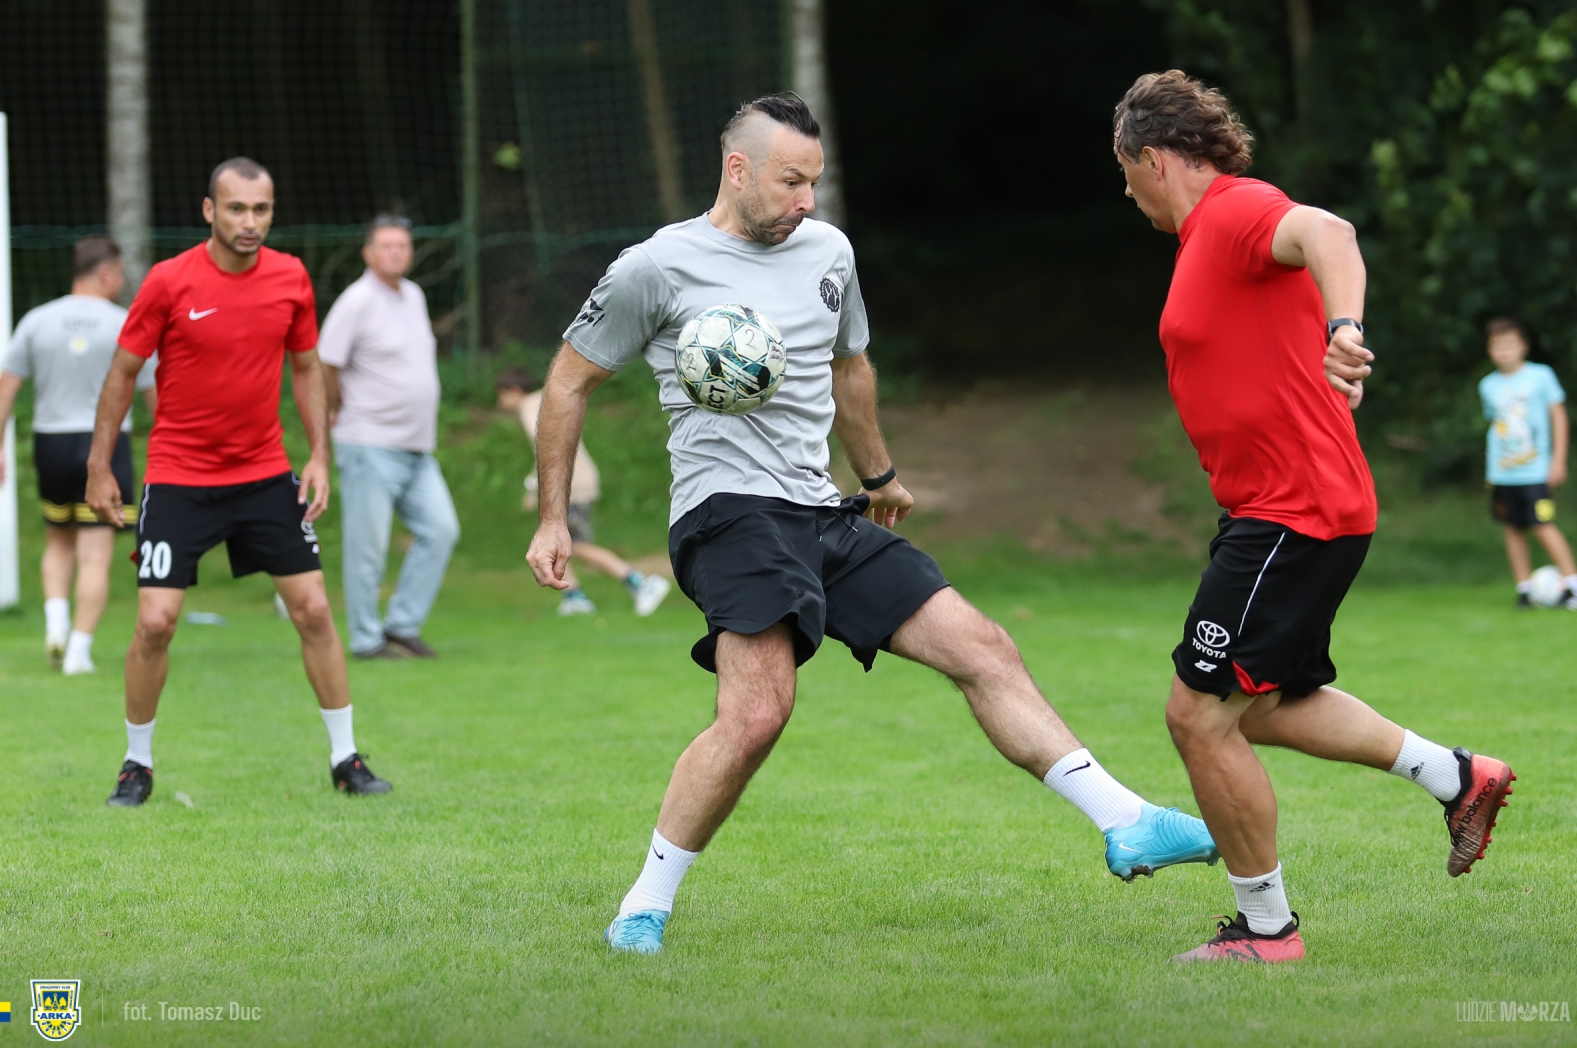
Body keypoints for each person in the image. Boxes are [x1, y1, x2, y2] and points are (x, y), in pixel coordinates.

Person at [526, 92, 1220, 956]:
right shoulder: (656, 267)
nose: (806, 200)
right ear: (737, 170)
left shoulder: (828, 251)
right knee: (757, 714)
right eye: (790, 181)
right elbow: (568, 380)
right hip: (726, 513)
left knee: (983, 646)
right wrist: (553, 519)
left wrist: (879, 473)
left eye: (813, 182)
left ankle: (1125, 819)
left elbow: (850, 366)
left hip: (820, 508)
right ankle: (643, 906)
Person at [1114, 71, 1515, 963]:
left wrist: (1345, 328)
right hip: (1288, 507)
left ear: (1153, 159)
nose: (1127, 192)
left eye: (1126, 173)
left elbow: (1329, 232)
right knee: (1260, 707)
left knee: (1197, 715)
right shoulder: (1207, 241)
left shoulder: (1234, 210)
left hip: (1290, 511)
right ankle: (1458, 776)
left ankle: (1267, 931)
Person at [86, 156, 392, 806]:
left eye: (261, 209)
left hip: (263, 475)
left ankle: (346, 758)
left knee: (314, 610)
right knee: (156, 622)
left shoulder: (290, 277)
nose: (249, 222)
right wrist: (99, 465)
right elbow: (122, 373)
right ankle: (136, 764)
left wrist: (319, 455)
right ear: (210, 211)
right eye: (236, 209)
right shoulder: (169, 282)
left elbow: (306, 368)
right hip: (178, 476)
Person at [0, 236, 156, 674]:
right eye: (119, 274)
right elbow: (153, 393)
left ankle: (56, 624)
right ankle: (79, 651)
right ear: (105, 273)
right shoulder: (124, 323)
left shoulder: (37, 320)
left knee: (58, 541)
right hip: (104, 444)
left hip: (50, 442)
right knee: (95, 553)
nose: (120, 282)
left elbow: (7, 386)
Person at [319, 216, 460, 659]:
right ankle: (365, 640)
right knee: (368, 548)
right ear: (369, 253)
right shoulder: (357, 301)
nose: (396, 252)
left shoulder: (413, 295)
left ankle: (401, 624)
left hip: (417, 447)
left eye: (402, 245)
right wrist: (337, 402)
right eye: (386, 245)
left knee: (441, 530)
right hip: (369, 442)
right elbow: (326, 360)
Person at [495, 366, 670, 617]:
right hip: (576, 479)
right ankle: (575, 596)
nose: (500, 403)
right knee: (558, 543)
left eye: (501, 396)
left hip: (570, 482)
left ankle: (639, 582)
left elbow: (547, 448)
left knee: (572, 544)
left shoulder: (531, 407)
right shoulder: (545, 399)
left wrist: (533, 486)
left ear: (514, 391)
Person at [1478, 317, 1577, 610]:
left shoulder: (1541, 376)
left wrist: (1558, 460)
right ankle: (1525, 590)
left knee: (1542, 524)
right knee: (1512, 528)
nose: (1504, 351)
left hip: (1535, 472)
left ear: (1523, 347)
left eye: (1509, 345)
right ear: (1490, 350)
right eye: (1497, 346)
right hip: (1503, 473)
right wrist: (1491, 470)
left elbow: (1558, 417)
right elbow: (1497, 427)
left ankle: (1576, 587)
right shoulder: (1487, 385)